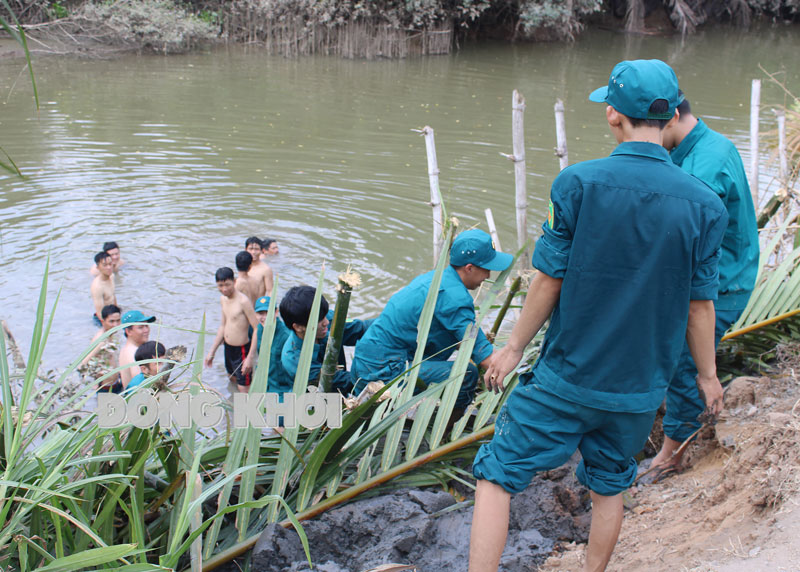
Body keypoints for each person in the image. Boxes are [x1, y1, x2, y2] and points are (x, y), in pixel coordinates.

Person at [467, 60, 728, 572]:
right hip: (637, 392)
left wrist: (514, 346)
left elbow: (548, 279)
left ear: (613, 115)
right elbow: (701, 306)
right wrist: (708, 376)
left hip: (565, 379)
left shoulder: (578, 184)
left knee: (496, 475)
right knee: (610, 487)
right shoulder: (705, 207)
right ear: (672, 112)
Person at [649, 93, 760, 476]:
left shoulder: (703, 169)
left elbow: (687, 256)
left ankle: (675, 450)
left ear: (673, 117)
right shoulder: (700, 147)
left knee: (686, 362)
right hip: (727, 272)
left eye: (651, 128)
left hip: (721, 286)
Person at [351, 228, 512, 413]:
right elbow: (485, 358)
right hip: (382, 371)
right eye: (486, 269)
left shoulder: (436, 278)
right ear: (469, 268)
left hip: (366, 360)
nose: (488, 276)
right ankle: (447, 432)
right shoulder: (455, 298)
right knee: (467, 374)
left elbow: (464, 336)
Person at [280, 286, 372, 394]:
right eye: (320, 320)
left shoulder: (326, 317)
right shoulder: (294, 359)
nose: (326, 322)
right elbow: (339, 381)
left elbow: (360, 329)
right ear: (298, 327)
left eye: (324, 316)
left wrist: (388, 323)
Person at [204, 267, 259, 392]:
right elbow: (223, 325)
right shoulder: (223, 299)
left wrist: (250, 358)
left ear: (234, 282)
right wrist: (212, 351)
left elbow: (256, 328)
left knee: (243, 388)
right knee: (231, 379)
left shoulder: (243, 301)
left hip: (242, 351)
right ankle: (233, 408)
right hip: (228, 348)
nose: (224, 289)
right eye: (220, 285)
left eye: (227, 285)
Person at [253, 295, 294, 395]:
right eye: (260, 313)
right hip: (265, 383)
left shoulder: (286, 335)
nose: (264, 317)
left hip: (282, 388)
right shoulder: (260, 329)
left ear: (276, 312)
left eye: (268, 313)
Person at [80, 304, 123, 393]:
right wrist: (93, 383)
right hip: (106, 389)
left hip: (115, 383)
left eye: (118, 321)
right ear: (103, 321)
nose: (116, 325)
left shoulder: (111, 335)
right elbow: (82, 365)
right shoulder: (101, 342)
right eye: (111, 321)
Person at [119, 309, 156, 389]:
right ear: (128, 331)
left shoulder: (125, 348)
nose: (146, 330)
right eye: (140, 327)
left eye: (146, 326)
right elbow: (140, 385)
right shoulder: (134, 353)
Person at [90, 251, 116, 327]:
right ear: (98, 267)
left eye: (110, 264)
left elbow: (113, 296)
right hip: (102, 319)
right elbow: (100, 313)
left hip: (113, 314)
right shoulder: (97, 287)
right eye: (105, 265)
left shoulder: (112, 276)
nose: (109, 267)